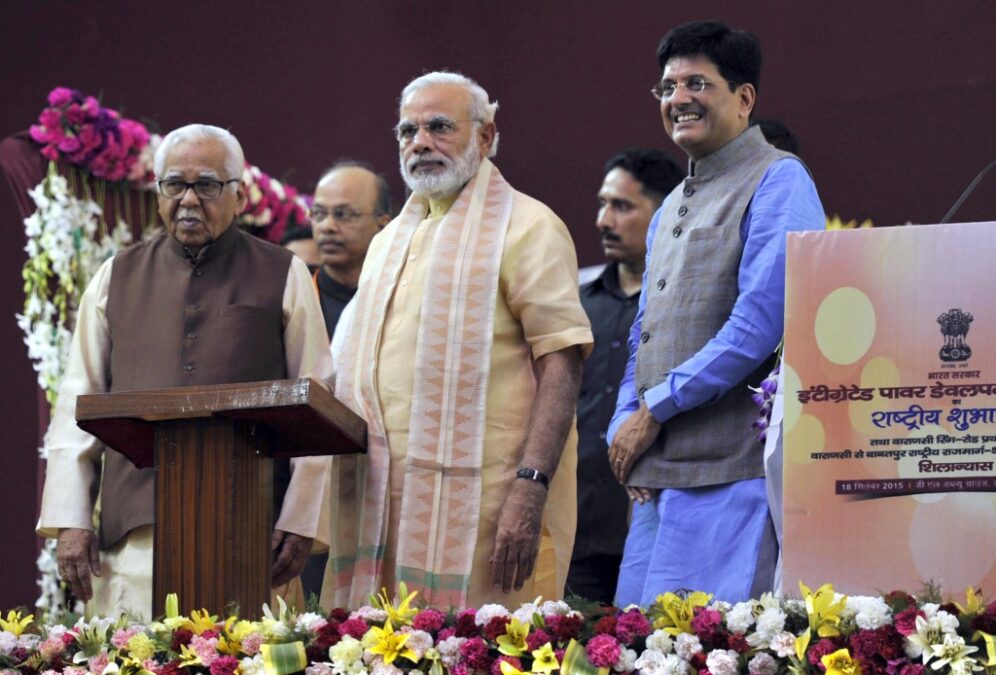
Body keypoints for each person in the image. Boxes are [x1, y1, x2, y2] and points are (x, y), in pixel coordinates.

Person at [37, 124, 334, 619]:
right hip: (135, 536)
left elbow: (317, 405)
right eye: (175, 185)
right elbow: (76, 405)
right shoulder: (116, 277)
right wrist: (71, 520)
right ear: (158, 194)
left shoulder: (284, 273)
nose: (189, 199)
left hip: (252, 531)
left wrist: (301, 519)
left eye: (208, 185)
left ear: (238, 195)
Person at [325, 71, 592, 609]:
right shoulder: (386, 244)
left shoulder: (528, 226)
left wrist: (530, 485)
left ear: (486, 137)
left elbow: (562, 363)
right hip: (382, 504)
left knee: (479, 652)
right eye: (407, 131)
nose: (420, 142)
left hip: (489, 505)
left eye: (440, 127)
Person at [607, 20, 825, 605]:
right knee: (638, 648)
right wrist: (624, 420)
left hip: (735, 472)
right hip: (657, 477)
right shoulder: (672, 203)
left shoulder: (779, 179)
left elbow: (760, 323)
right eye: (668, 87)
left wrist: (653, 409)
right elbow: (644, 333)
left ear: (744, 98)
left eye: (697, 83)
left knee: (715, 651)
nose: (678, 99)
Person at [567, 148, 682, 604]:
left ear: (666, 211)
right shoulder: (576, 304)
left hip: (658, 524)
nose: (602, 220)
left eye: (622, 206)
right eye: (602, 204)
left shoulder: (685, 310)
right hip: (576, 528)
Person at [310, 161, 393, 341]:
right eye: (319, 214)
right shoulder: (295, 297)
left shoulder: (400, 297)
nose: (327, 226)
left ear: (383, 224)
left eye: (343, 214)